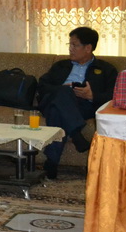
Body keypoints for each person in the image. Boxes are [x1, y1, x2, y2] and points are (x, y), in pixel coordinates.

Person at [37, 26, 119, 179]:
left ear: (88, 48)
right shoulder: (61, 66)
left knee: (56, 112)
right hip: (54, 101)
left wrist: (92, 95)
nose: (70, 49)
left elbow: (114, 95)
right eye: (70, 44)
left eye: (75, 45)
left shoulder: (106, 69)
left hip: (84, 106)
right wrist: (62, 90)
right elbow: (42, 86)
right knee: (63, 94)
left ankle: (52, 163)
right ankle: (76, 134)